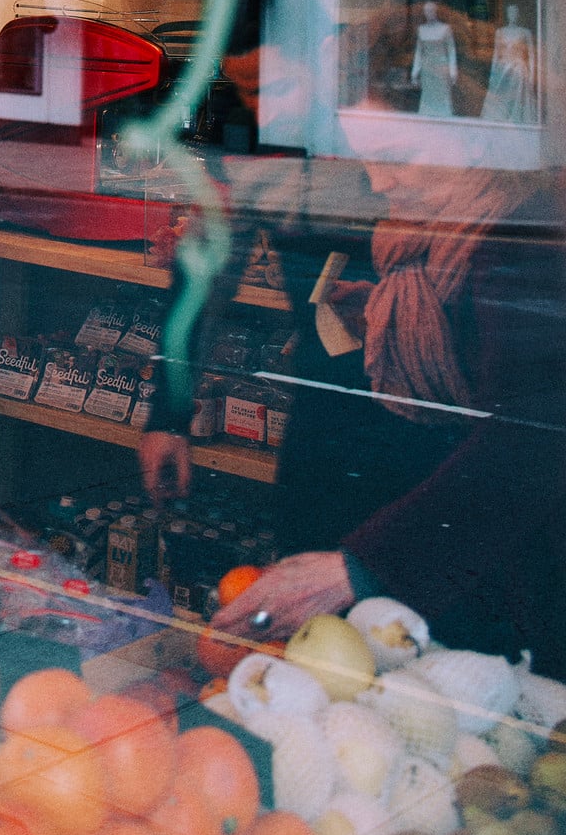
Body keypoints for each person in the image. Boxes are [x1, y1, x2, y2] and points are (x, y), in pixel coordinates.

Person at [141, 118, 566, 672]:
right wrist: (390, 319)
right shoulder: (440, 219)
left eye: (397, 154)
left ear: (476, 135)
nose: (379, 182)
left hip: (472, 504)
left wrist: (362, 569)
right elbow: (209, 257)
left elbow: (532, 435)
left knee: (454, 666)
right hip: (350, 451)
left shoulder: (525, 234)